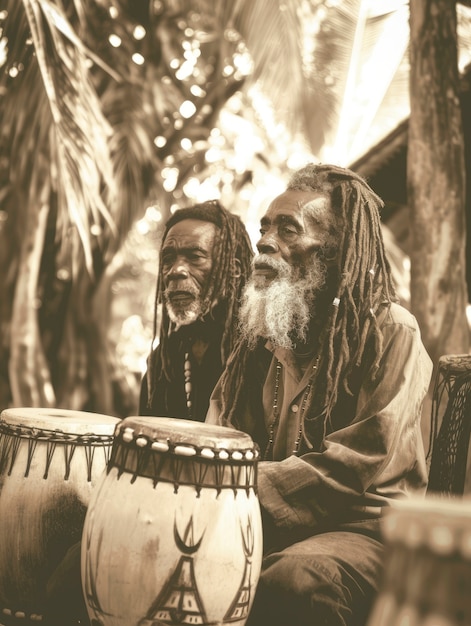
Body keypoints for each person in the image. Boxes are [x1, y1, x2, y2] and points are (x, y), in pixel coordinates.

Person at [206, 163, 433, 626]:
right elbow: (218, 437)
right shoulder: (260, 336)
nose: (265, 242)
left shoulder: (391, 332)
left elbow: (352, 467)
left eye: (288, 229)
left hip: (368, 531)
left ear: (335, 250)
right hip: (255, 517)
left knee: (296, 579)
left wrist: (232, 490)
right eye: (264, 227)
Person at [139, 199, 254, 420]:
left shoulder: (259, 354)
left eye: (195, 257)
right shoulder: (163, 361)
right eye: (168, 258)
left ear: (234, 270)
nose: (176, 270)